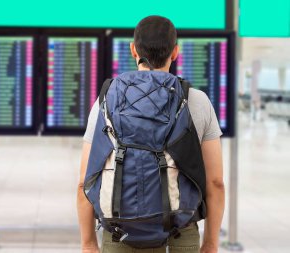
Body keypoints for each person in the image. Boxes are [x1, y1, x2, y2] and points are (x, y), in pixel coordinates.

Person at [77, 15, 225, 253]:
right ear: (175, 52)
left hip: (120, 232)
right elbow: (215, 183)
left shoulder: (107, 99)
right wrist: (210, 243)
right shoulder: (196, 101)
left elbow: (85, 180)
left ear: (133, 50)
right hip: (180, 230)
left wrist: (87, 244)